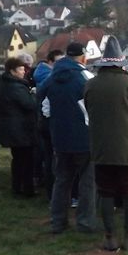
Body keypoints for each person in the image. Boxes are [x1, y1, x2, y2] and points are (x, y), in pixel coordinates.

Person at [85, 36, 128, 251]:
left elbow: (89, 109)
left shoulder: (90, 84)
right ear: (120, 63)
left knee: (105, 191)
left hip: (102, 147)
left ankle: (109, 237)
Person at [38, 42, 97, 234]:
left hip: (60, 137)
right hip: (84, 138)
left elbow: (44, 106)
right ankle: (85, 223)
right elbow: (94, 108)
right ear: (83, 57)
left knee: (62, 180)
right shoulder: (86, 77)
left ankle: (58, 222)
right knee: (87, 183)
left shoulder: (52, 76)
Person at [0, 57, 38, 196]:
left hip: (13, 127)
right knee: (26, 160)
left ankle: (17, 187)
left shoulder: (6, 83)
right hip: (20, 128)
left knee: (18, 159)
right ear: (12, 71)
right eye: (20, 69)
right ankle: (26, 189)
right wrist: (33, 95)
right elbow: (29, 105)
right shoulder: (16, 87)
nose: (23, 72)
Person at [33, 49, 65, 197]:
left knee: (49, 156)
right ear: (50, 62)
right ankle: (52, 190)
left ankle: (50, 188)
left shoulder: (46, 75)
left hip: (45, 120)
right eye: (58, 61)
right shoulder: (49, 77)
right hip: (48, 120)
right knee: (52, 157)